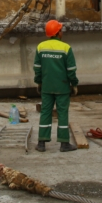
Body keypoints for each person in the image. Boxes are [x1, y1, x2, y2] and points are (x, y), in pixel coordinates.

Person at [33, 19, 79, 153]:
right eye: (61, 30)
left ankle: (41, 143)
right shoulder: (66, 48)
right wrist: (74, 84)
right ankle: (64, 144)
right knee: (62, 114)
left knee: (45, 113)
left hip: (47, 87)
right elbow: (71, 70)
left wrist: (39, 82)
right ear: (58, 32)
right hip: (63, 87)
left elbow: (37, 68)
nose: (62, 32)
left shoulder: (41, 47)